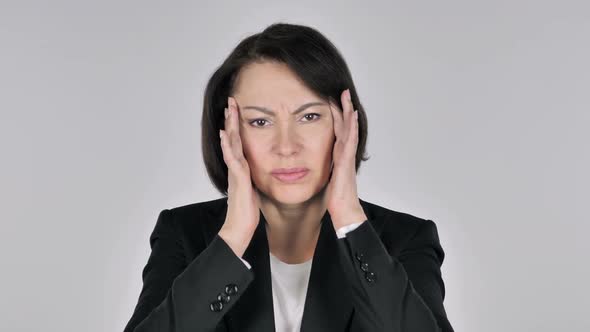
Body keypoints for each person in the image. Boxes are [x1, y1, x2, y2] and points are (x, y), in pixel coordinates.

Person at [123, 22, 454, 332]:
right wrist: (233, 238)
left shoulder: (405, 239)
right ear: (227, 133)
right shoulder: (184, 234)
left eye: (309, 116)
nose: (287, 147)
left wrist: (350, 219)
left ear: (346, 125)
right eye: (260, 122)